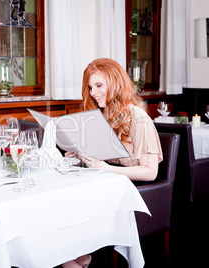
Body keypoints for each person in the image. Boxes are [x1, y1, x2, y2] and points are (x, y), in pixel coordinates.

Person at [63, 58, 163, 268]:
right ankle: (77, 255)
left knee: (76, 199)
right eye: (90, 87)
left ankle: (73, 257)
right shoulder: (100, 115)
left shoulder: (138, 117)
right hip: (108, 183)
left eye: (99, 85)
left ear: (116, 83)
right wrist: (79, 154)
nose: (93, 92)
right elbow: (102, 158)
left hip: (134, 188)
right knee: (67, 196)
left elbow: (150, 172)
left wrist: (105, 168)